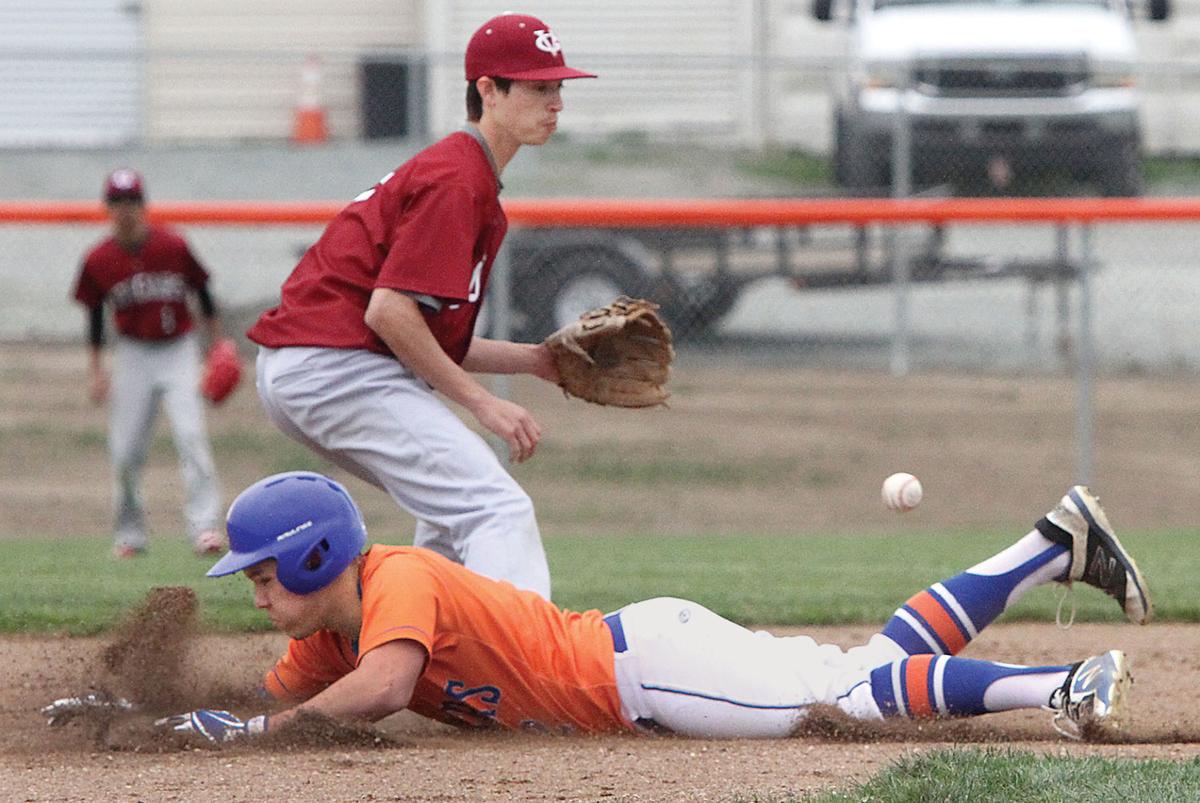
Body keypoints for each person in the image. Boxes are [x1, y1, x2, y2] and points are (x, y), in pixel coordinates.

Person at [158, 473, 1152, 744]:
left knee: (845, 699)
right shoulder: (335, 630)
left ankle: (1060, 685)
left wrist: (259, 729)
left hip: (643, 669)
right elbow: (270, 704)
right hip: (652, 651)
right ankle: (1052, 542)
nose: (253, 592)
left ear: (318, 554)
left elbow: (383, 688)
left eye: (261, 573)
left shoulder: (395, 582)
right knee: (858, 665)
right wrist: (157, 729)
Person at [243, 13, 597, 601]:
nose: (554, 101)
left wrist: (537, 360)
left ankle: (408, 656)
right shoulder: (458, 180)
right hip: (335, 368)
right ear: (487, 89)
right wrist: (484, 405)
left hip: (316, 365)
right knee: (494, 508)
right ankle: (520, 670)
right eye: (538, 87)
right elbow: (390, 313)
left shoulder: (465, 177)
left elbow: (428, 338)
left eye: (558, 87)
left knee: (451, 513)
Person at [72, 169, 226, 558]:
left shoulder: (173, 245)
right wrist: (96, 370)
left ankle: (205, 528)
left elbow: (204, 295)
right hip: (133, 354)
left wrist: (216, 349)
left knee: (191, 438)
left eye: (132, 202)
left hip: (178, 350)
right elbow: (93, 316)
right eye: (118, 203)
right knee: (125, 451)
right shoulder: (98, 258)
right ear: (108, 208)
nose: (126, 210)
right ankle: (130, 534)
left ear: (143, 205)